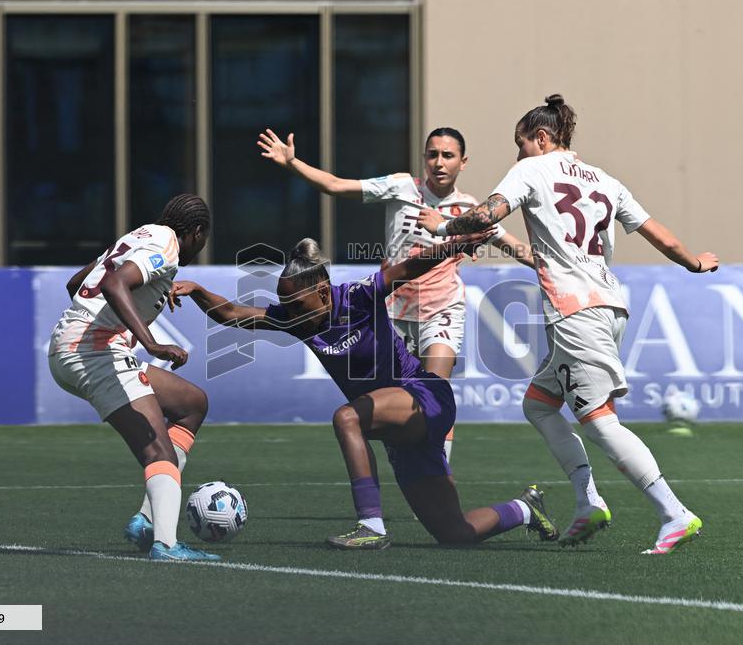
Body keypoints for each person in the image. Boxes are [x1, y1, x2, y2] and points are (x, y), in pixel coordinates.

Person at [416, 95, 720, 555]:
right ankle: (588, 502)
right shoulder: (604, 179)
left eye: (521, 145)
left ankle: (673, 513)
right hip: (607, 305)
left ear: (542, 138)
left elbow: (485, 214)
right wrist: (695, 262)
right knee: (538, 406)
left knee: (599, 421)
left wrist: (442, 227)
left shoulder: (532, 170)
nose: (517, 156)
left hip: (577, 315)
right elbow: (658, 232)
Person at [170, 236, 558, 550]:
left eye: (296, 303)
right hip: (397, 428)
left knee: (347, 417)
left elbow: (411, 267)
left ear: (323, 293)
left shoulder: (357, 296)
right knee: (455, 534)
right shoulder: (298, 320)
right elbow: (231, 314)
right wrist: (198, 289)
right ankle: (525, 509)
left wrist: (458, 243)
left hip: (425, 396)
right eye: (285, 305)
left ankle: (371, 525)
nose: (289, 312)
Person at [258, 127, 535, 462]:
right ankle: (410, 461)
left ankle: (439, 471)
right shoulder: (402, 186)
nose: (438, 162)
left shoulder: (470, 210)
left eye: (448, 155)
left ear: (463, 162)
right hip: (391, 312)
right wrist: (292, 163)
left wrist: (565, 268)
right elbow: (335, 185)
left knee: (435, 390)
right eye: (432, 154)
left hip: (442, 310)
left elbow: (518, 248)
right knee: (391, 403)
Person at [47, 194, 219, 562]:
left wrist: (148, 293)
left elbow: (79, 283)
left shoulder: (141, 234)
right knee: (158, 450)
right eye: (203, 240)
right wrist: (152, 343)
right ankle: (167, 544)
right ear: (197, 233)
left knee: (191, 404)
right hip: (92, 351)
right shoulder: (168, 245)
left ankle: (147, 520)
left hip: (77, 346)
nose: (201, 247)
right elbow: (114, 284)